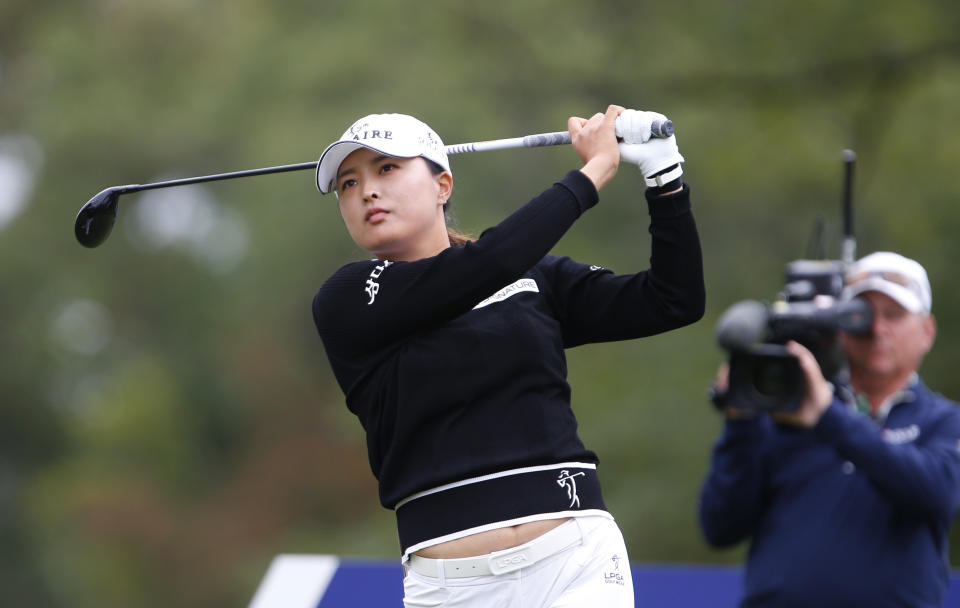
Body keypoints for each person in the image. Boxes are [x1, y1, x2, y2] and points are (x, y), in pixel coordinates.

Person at [310, 105, 704, 607]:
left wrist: (663, 175)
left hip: (577, 561)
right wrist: (593, 172)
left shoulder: (532, 279)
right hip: (452, 587)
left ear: (442, 185)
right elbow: (483, 265)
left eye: (387, 168)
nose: (366, 190)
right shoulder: (348, 299)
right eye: (347, 183)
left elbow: (673, 299)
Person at [699, 251, 960, 608]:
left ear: (927, 331)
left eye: (895, 316)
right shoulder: (788, 408)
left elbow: (937, 493)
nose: (877, 329)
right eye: (862, 316)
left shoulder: (944, 421)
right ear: (840, 326)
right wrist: (741, 424)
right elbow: (721, 526)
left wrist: (828, 418)